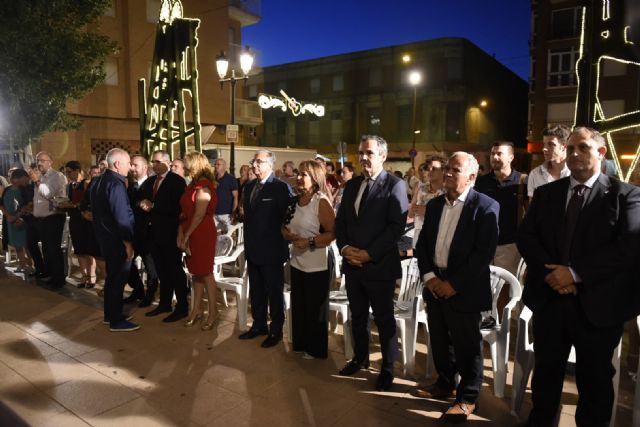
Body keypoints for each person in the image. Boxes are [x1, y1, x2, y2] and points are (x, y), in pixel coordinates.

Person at [517, 127, 640, 427]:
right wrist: (554, 275)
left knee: (595, 381)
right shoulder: (547, 194)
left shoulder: (626, 195)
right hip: (550, 300)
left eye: (582, 148)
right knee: (546, 375)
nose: (573, 154)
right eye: (570, 148)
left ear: (601, 153)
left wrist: (574, 274)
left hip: (597, 305)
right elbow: (527, 237)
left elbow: (629, 247)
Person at [414, 152, 499, 422]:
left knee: (467, 344)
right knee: (439, 340)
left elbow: (482, 254)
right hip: (435, 282)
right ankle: (444, 383)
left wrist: (453, 284)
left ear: (472, 177)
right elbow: (423, 246)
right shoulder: (437, 204)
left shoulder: (485, 206)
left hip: (465, 287)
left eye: (455, 169)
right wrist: (430, 278)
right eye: (447, 168)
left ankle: (467, 397)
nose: (448, 173)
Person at [335, 135, 408, 391]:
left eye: (369, 153)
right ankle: (360, 357)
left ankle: (387, 369)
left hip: (379, 266)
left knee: (384, 319)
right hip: (353, 265)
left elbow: (395, 227)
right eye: (361, 152)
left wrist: (369, 254)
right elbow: (341, 221)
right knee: (357, 317)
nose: (364, 157)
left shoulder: (395, 185)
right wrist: (345, 249)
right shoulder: (353, 185)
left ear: (383, 156)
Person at [282, 160, 335, 359]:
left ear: (315, 179)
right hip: (297, 261)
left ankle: (315, 349)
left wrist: (310, 242)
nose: (298, 177)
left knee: (315, 309)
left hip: (317, 263)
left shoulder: (320, 201)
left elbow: (332, 234)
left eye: (304, 174)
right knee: (300, 306)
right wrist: (286, 235)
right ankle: (301, 344)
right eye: (298, 173)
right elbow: (285, 225)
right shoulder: (295, 200)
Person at [239, 149, 292, 348]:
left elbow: (287, 219)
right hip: (252, 248)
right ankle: (258, 325)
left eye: (259, 162)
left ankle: (276, 329)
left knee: (274, 292)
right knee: (257, 291)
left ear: (270, 164)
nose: (255, 165)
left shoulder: (280, 187)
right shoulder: (250, 185)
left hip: (272, 250)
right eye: (254, 161)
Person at [475, 141, 527, 323]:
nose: (495, 157)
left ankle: (500, 327)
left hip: (509, 244)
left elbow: (528, 213)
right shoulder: (481, 182)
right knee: (482, 286)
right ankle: (486, 323)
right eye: (492, 154)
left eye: (499, 153)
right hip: (483, 243)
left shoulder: (522, 181)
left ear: (511, 157)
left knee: (503, 287)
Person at [89, 148, 139, 332]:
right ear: (117, 164)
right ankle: (116, 321)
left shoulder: (99, 181)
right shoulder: (116, 184)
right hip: (117, 240)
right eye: (127, 164)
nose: (130, 168)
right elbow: (121, 217)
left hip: (105, 238)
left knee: (112, 278)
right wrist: (128, 244)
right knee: (118, 280)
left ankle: (110, 314)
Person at [139, 150, 188, 322]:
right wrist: (143, 204)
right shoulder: (150, 181)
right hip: (152, 232)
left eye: (158, 161)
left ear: (167, 163)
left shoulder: (177, 181)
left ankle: (182, 306)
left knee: (175, 269)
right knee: (161, 270)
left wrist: (154, 206)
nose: (154, 164)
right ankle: (164, 303)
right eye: (153, 161)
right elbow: (142, 199)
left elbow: (178, 208)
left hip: (169, 232)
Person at [179, 152, 219, 330]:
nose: (185, 168)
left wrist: (187, 235)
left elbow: (200, 214)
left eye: (187, 165)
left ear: (195, 165)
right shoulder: (192, 186)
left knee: (206, 273)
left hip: (202, 232)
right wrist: (181, 231)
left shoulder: (203, 187)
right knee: (196, 272)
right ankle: (196, 309)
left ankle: (213, 312)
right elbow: (185, 212)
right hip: (191, 230)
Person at [125, 155, 158, 306]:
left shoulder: (153, 185)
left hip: (148, 233)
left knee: (150, 267)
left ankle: (150, 295)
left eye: (135, 165)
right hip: (133, 232)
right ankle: (137, 289)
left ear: (145, 167)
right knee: (125, 260)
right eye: (130, 165)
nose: (132, 168)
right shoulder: (131, 186)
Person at [61, 161, 100, 288]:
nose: (67, 174)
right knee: (79, 250)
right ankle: (83, 275)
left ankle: (92, 276)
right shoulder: (69, 186)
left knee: (89, 250)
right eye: (66, 172)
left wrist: (74, 205)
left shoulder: (86, 183)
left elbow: (89, 202)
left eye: (69, 172)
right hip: (74, 220)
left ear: (77, 170)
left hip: (85, 220)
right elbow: (69, 200)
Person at [33, 151, 67, 289]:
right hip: (42, 219)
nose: (39, 163)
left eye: (42, 160)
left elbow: (48, 193)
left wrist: (36, 180)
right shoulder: (40, 176)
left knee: (53, 249)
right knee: (47, 249)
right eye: (37, 160)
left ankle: (59, 279)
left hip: (53, 217)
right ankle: (52, 275)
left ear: (50, 162)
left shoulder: (56, 176)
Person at [410, 157, 445, 249]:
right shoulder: (421, 189)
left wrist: (428, 211)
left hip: (439, 236)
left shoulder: (448, 191)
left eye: (434, 169)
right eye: (428, 168)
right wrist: (413, 210)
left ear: (443, 171)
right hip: (419, 233)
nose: (429, 171)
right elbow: (411, 213)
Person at [527, 125, 571, 198]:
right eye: (544, 144)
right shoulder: (535, 174)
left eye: (551, 144)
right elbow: (533, 206)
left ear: (564, 147)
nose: (544, 149)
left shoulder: (575, 173)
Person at [2, 169, 31, 271]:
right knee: (17, 244)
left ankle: (30, 265)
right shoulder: (7, 190)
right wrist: (8, 215)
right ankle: (22, 264)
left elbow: (27, 205)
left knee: (26, 244)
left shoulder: (24, 190)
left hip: (22, 220)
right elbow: (1, 204)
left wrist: (19, 216)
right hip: (10, 221)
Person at [214, 158, 238, 234]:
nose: (216, 166)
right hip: (214, 214)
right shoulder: (213, 179)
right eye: (215, 164)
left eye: (218, 164)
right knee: (216, 238)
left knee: (229, 236)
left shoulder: (231, 179)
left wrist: (233, 213)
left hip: (227, 214)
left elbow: (235, 197)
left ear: (224, 166)